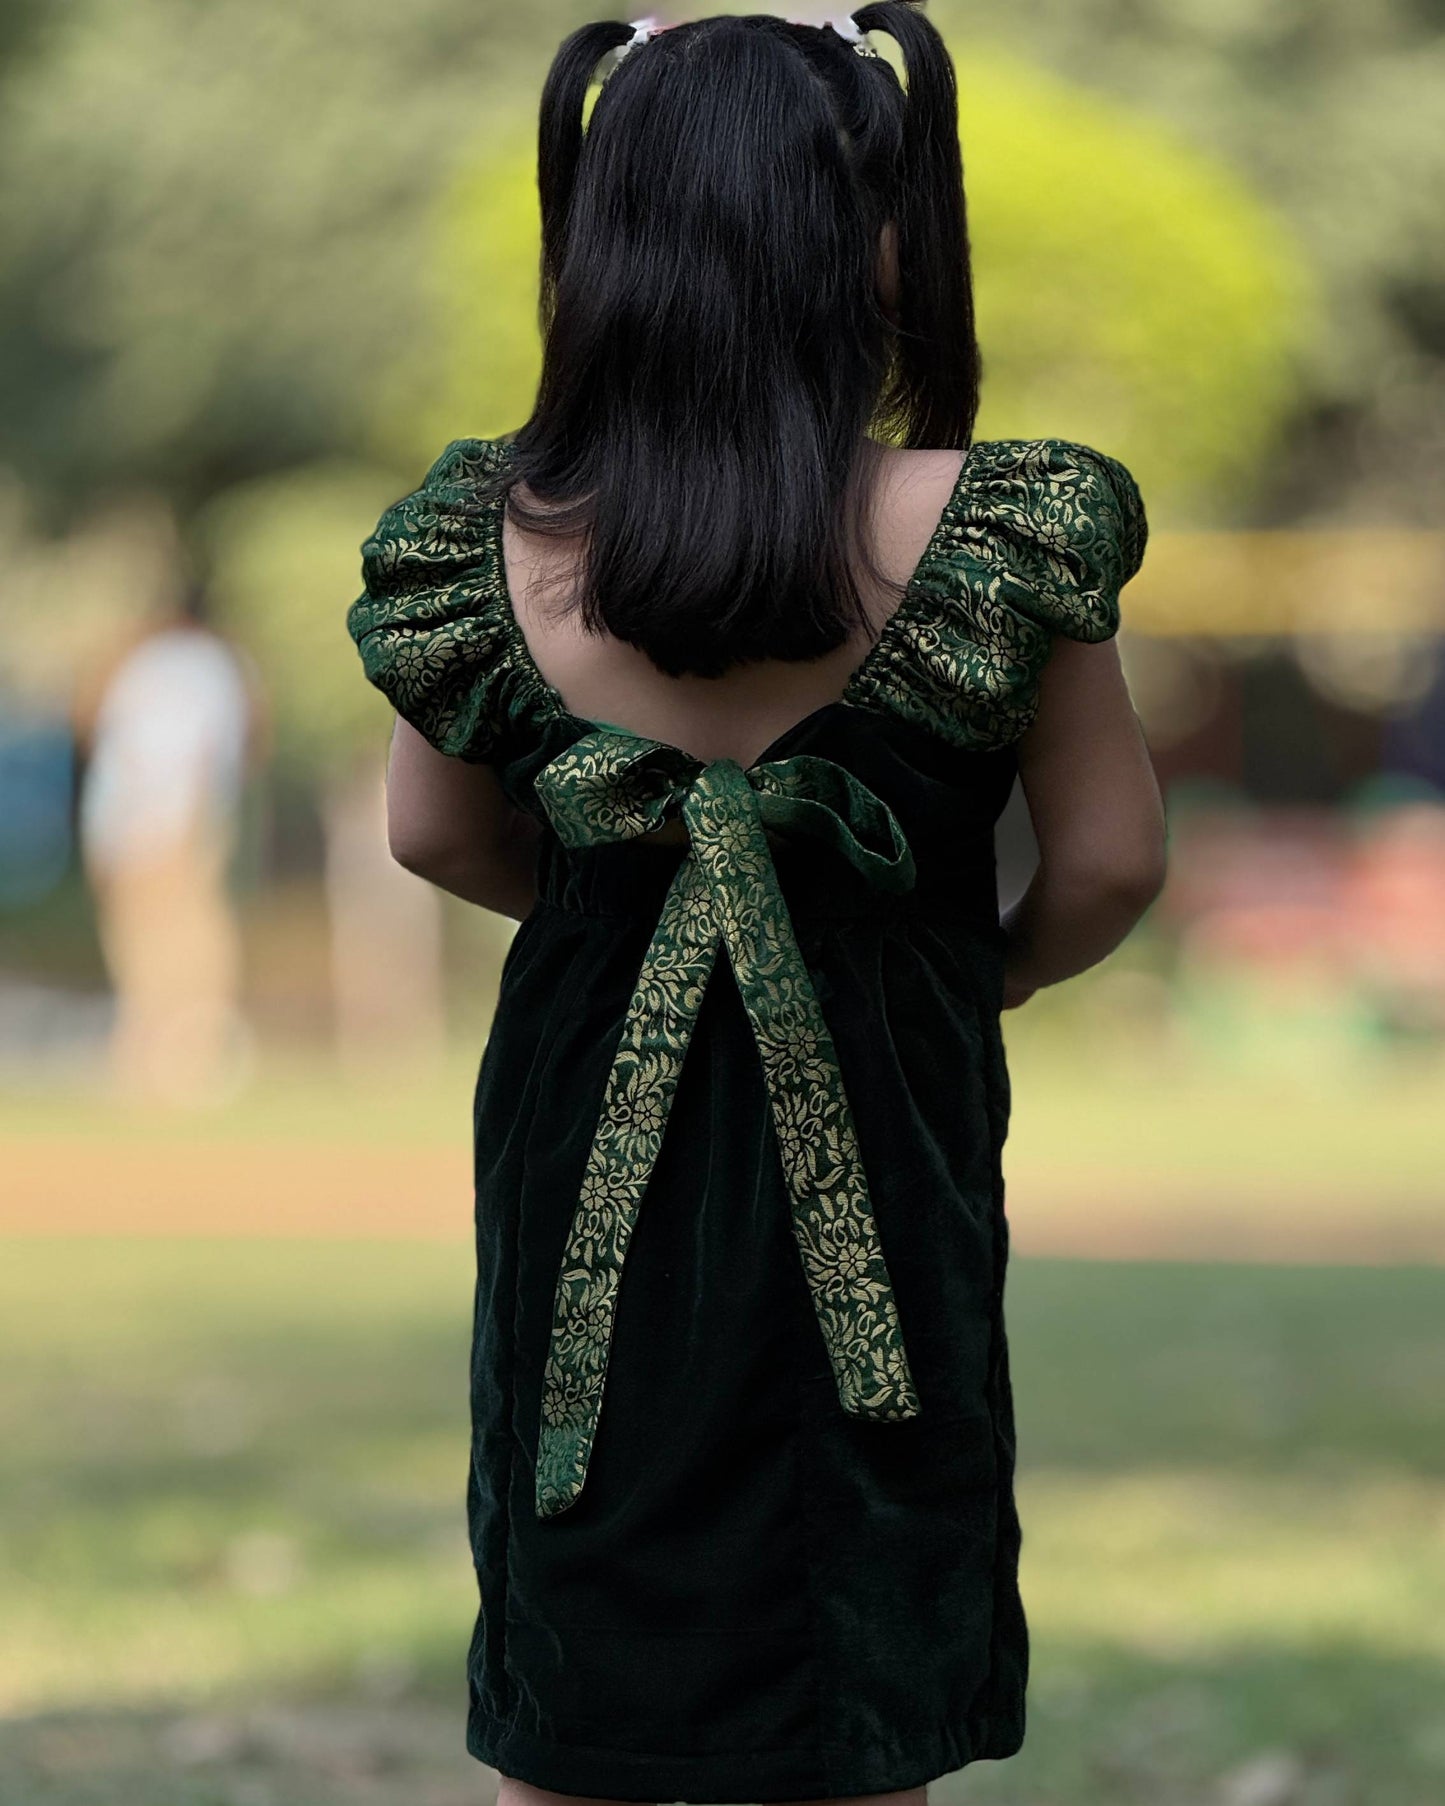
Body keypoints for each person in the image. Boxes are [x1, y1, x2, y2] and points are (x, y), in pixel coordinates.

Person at [347, 7, 1166, 1803]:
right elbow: (1109, 861)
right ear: (871, 237)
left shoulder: (489, 531)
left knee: (583, 1536)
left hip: (589, 1127)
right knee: (863, 1581)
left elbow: (435, 837)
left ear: (611, 235)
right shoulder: (991, 523)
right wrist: (977, 969)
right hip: (887, 1114)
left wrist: (624, 906)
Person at [77, 577, 264, 1102]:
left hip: (165, 819)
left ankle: (193, 1044)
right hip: (138, 822)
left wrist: (187, 823)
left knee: (184, 930)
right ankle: (150, 1042)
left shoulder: (193, 664)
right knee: (147, 934)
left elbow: (198, 753)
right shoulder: (162, 663)